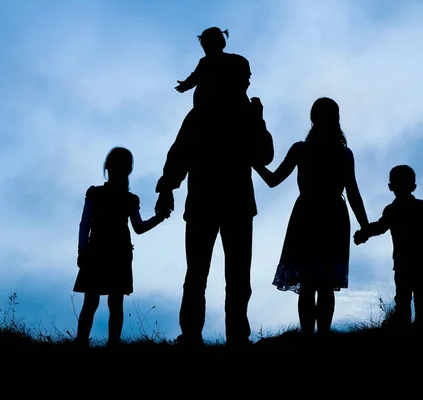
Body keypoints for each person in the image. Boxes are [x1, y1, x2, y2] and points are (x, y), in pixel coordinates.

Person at [154, 96, 274, 348]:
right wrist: (167, 186)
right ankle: (224, 336)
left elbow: (264, 155)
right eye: (244, 79)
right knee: (217, 275)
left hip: (212, 203)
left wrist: (167, 187)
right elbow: (264, 155)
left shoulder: (206, 113)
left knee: (212, 275)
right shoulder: (218, 114)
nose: (247, 85)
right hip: (226, 204)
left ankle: (206, 335)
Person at [253, 97, 369, 339]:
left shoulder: (301, 150)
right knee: (325, 284)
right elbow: (353, 192)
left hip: (306, 215)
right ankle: (323, 337)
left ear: (312, 118)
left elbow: (273, 180)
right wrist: (364, 225)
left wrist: (253, 162)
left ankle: (308, 338)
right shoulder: (344, 153)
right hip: (334, 216)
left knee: (308, 283)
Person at [73, 147, 168, 347]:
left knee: (92, 301)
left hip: (98, 251)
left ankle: (82, 340)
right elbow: (139, 228)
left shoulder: (96, 194)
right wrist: (159, 218)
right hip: (118, 253)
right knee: (114, 302)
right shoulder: (129, 199)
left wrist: (83, 250)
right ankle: (112, 341)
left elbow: (85, 225)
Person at [353, 164, 423, 326]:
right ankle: (419, 326)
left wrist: (364, 233)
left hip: (404, 262)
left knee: (403, 298)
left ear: (390, 187)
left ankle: (403, 325)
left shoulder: (393, 210)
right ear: (413, 186)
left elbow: (380, 227)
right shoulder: (421, 206)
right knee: (422, 300)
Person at [175, 27, 251, 111]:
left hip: (231, 103)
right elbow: (196, 76)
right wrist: (186, 84)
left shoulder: (236, 60)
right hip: (205, 106)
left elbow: (244, 79)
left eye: (208, 43)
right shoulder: (204, 62)